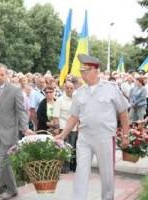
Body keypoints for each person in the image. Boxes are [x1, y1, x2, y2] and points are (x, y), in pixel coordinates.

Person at [55, 54, 130, 200]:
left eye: (86, 71)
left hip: (105, 137)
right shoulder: (79, 93)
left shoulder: (111, 88)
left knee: (107, 174)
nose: (83, 75)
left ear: (96, 71)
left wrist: (125, 135)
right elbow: (74, 117)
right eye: (82, 71)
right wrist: (63, 135)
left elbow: (123, 112)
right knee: (80, 172)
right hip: (84, 138)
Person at [0, 63, 34, 200]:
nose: (0, 77)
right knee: (4, 163)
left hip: (9, 133)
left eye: (2, 74)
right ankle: (12, 189)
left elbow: (21, 111)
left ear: (7, 75)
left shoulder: (15, 91)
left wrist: (25, 128)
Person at [53, 81, 78, 172]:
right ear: (64, 88)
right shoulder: (60, 100)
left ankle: (73, 165)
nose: (69, 90)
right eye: (67, 88)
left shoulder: (76, 99)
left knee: (73, 147)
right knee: (65, 147)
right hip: (63, 127)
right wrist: (56, 129)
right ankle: (65, 167)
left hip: (75, 127)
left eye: (71, 88)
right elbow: (55, 116)